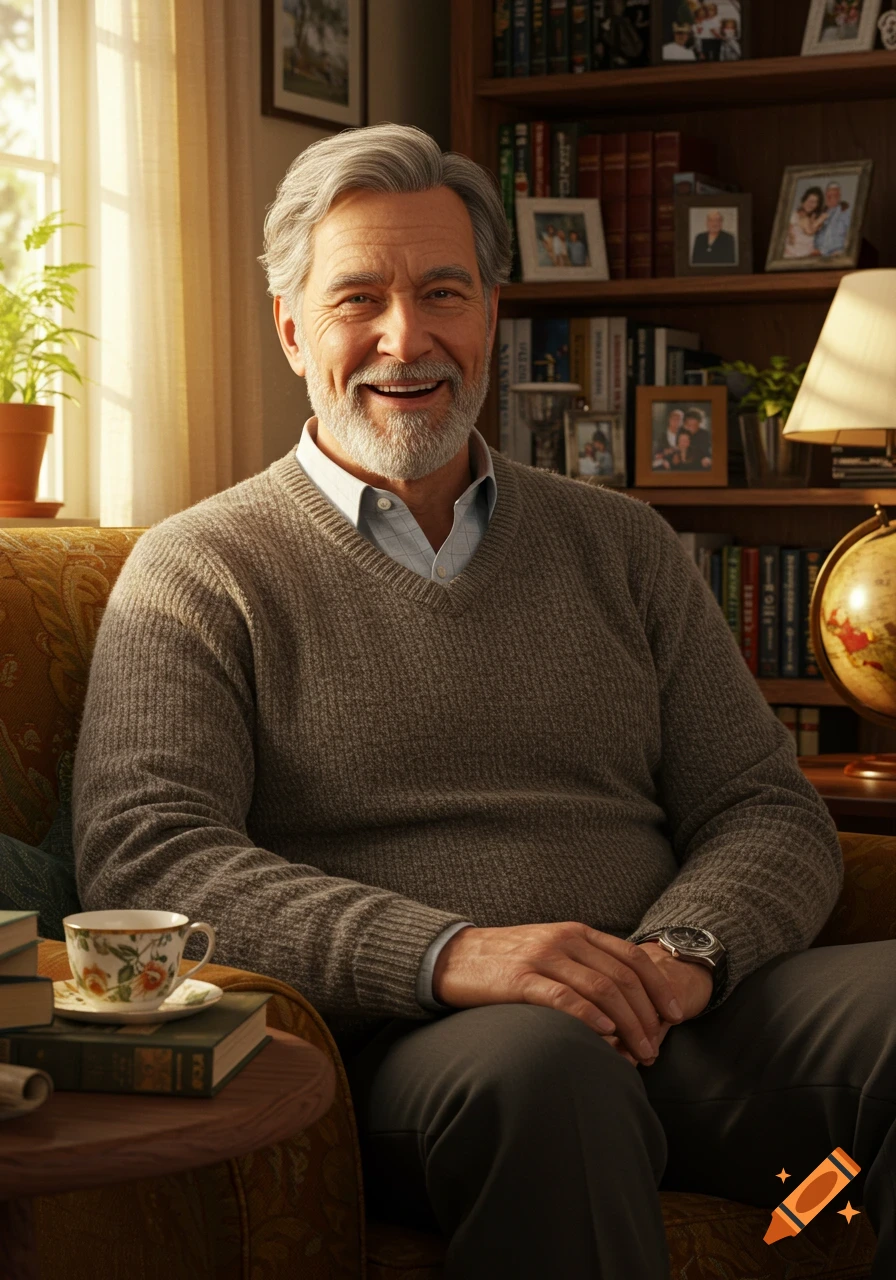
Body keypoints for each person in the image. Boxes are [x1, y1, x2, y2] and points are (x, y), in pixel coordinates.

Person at [72, 123, 896, 1279]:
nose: (405, 339)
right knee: (543, 1071)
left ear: (490, 313)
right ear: (291, 326)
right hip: (430, 1049)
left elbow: (762, 806)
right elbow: (147, 857)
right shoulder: (198, 568)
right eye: (358, 297)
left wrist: (678, 954)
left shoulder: (621, 544)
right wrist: (452, 952)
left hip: (671, 1013)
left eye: (442, 292)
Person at [813, 180, 853, 257]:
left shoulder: (845, 211)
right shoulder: (819, 213)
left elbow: (851, 235)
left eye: (835, 195)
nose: (832, 198)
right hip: (818, 255)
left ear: (839, 196)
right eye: (829, 196)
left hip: (836, 254)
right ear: (826, 195)